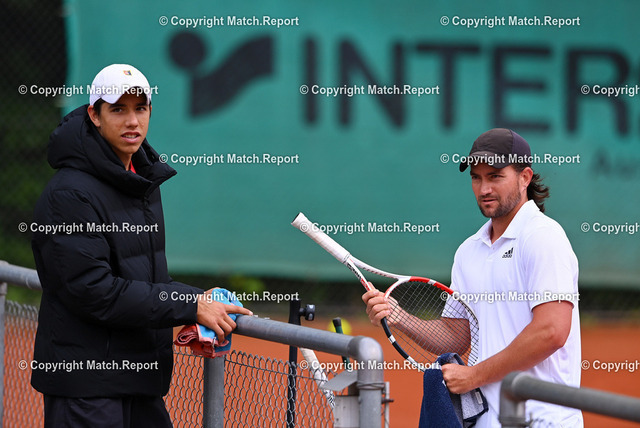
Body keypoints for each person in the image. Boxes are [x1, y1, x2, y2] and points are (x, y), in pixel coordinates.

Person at [31, 64, 252, 428]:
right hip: (88, 388)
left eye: (140, 108)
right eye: (118, 109)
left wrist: (199, 299)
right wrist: (189, 305)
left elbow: (145, 281)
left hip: (137, 382)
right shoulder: (69, 194)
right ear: (94, 115)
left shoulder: (139, 181)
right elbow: (95, 290)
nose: (132, 120)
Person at [363, 128, 582, 427]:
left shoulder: (543, 237)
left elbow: (552, 331)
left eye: (495, 176)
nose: (484, 188)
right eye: (476, 178)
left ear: (525, 177)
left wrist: (474, 376)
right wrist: (399, 316)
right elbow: (456, 335)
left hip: (543, 420)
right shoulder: (469, 251)